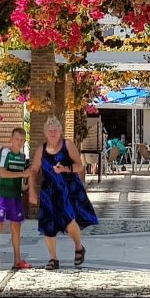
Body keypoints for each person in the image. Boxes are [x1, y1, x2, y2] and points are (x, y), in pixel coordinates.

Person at [30, 114, 98, 270]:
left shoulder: (68, 145)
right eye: (50, 131)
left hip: (67, 188)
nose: (52, 133)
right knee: (48, 225)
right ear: (45, 132)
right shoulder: (41, 149)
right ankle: (53, 259)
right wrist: (33, 191)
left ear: (60, 131)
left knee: (69, 220)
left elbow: (79, 166)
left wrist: (66, 169)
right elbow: (34, 170)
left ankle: (79, 246)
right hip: (48, 192)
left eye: (55, 130)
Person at [0, 127, 31, 269]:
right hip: (3, 195)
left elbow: (24, 181)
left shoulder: (23, 157)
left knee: (16, 227)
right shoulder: (5, 152)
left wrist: (27, 182)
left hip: (16, 196)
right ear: (11, 139)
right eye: (17, 139)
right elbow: (3, 173)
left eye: (22, 140)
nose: (19, 142)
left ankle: (17, 260)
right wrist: (22, 174)